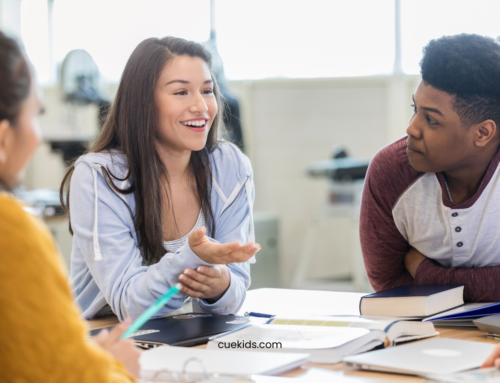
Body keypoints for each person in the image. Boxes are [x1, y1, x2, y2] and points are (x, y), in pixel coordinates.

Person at [60, 36, 260, 321]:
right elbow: (131, 305)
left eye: (207, 90)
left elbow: (234, 293)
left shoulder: (230, 167)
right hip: (106, 337)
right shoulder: (98, 176)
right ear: (143, 102)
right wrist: (193, 258)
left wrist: (221, 286)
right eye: (181, 92)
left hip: (185, 333)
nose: (202, 107)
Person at [0, 32, 141, 382]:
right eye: (36, 115)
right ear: (3, 137)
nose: (37, 136)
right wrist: (113, 367)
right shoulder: (11, 231)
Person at [360, 33, 500, 302]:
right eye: (415, 108)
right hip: (426, 335)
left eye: (431, 120)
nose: (411, 128)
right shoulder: (389, 171)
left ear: (483, 133)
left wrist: (424, 272)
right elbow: (389, 285)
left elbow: (411, 282)